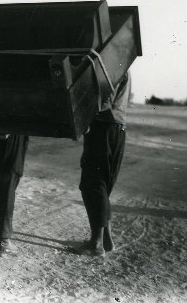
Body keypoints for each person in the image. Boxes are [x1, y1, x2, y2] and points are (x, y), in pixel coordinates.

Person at [78, 71, 131, 256]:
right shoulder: (122, 65)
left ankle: (96, 243)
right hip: (116, 128)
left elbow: (105, 103)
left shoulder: (115, 65)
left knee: (92, 183)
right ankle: (105, 237)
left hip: (104, 128)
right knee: (101, 184)